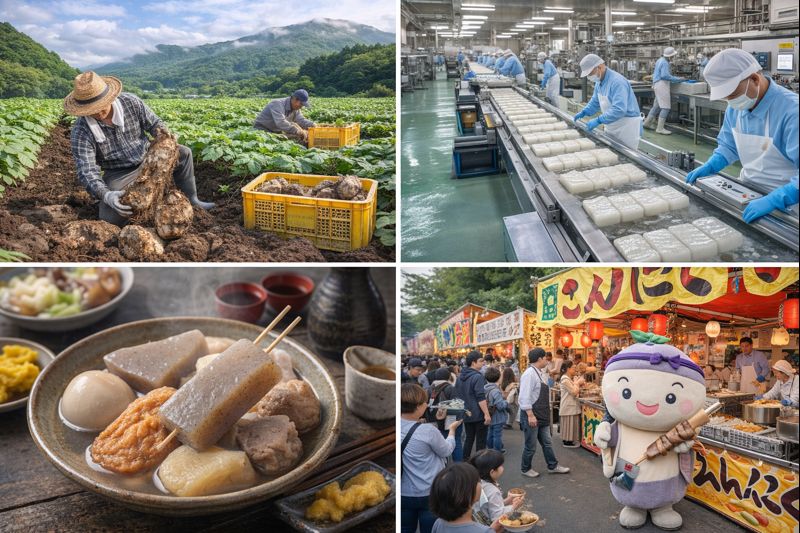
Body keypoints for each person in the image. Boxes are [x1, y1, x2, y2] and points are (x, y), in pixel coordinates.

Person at [66, 72, 215, 226]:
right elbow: (87, 170)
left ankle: (193, 200)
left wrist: (165, 137)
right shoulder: (81, 130)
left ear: (110, 97)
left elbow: (155, 124)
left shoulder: (131, 102)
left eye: (101, 105)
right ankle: (145, 205)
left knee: (183, 153)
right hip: (119, 173)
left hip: (149, 159)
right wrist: (107, 195)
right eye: (91, 109)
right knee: (110, 218)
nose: (98, 113)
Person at [684, 48, 798, 223]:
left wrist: (774, 200)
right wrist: (711, 165)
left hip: (789, 206)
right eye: (727, 97)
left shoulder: (792, 112)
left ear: (754, 79)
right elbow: (729, 146)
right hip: (748, 192)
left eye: (734, 94)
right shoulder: (736, 108)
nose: (731, 101)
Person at [401, 383, 462, 533]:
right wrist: (452, 431)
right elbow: (446, 451)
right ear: (419, 406)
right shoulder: (428, 431)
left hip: (403, 492)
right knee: (430, 529)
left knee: (405, 528)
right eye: (425, 403)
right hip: (429, 491)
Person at [573, 54, 642, 150]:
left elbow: (619, 109)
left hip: (626, 126)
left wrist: (598, 120)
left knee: (627, 157)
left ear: (600, 67)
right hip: (611, 124)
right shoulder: (599, 82)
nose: (589, 77)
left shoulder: (617, 82)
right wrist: (584, 111)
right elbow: (595, 101)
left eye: (590, 73)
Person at [518, 348, 570, 477]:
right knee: (531, 445)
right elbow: (524, 396)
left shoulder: (539, 372)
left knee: (547, 442)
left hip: (542, 414)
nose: (547, 360)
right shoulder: (529, 374)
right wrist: (530, 415)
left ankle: (553, 465)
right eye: (545, 358)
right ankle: (525, 468)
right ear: (540, 359)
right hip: (533, 415)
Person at [429, 463, 502, 533]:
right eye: (478, 481)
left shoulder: (438, 523)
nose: (480, 483)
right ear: (468, 493)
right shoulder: (484, 531)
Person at [468, 449, 524, 525]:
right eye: (500, 466)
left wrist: (508, 500)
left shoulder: (478, 482)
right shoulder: (492, 490)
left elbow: (491, 505)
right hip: (489, 525)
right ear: (492, 472)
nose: (502, 467)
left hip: (478, 520)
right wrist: (514, 506)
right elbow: (497, 516)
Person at [455, 351, 492, 460]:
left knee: (469, 438)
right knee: (481, 440)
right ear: (473, 362)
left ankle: (465, 459)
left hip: (466, 412)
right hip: (478, 413)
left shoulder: (460, 376)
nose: (483, 363)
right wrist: (487, 414)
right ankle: (479, 464)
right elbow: (480, 397)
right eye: (481, 361)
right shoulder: (477, 377)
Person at [643, 47, 685, 135]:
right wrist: (678, 79)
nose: (674, 57)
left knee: (656, 107)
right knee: (666, 107)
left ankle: (646, 123)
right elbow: (665, 76)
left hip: (656, 85)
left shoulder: (659, 60)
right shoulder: (665, 63)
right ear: (670, 56)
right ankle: (660, 128)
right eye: (673, 55)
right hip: (662, 85)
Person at [429, 367, 464, 461]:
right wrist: (460, 419)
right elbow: (457, 406)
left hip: (436, 422)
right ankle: (458, 465)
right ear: (449, 377)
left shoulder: (430, 388)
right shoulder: (450, 388)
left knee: (440, 444)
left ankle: (443, 465)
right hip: (451, 421)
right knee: (456, 441)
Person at [484, 367, 509, 452]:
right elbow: (500, 406)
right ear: (498, 378)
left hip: (488, 414)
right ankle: (497, 452)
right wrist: (506, 401)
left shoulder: (485, 388)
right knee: (497, 435)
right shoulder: (495, 390)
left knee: (490, 433)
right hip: (497, 416)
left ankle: (490, 449)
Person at [559, 361, 583, 447]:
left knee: (569, 424)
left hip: (569, 405)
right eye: (573, 368)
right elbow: (574, 391)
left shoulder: (567, 379)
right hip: (568, 406)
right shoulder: (565, 379)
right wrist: (577, 383)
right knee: (569, 424)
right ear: (568, 369)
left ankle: (569, 441)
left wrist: (576, 382)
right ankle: (568, 442)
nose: (575, 370)